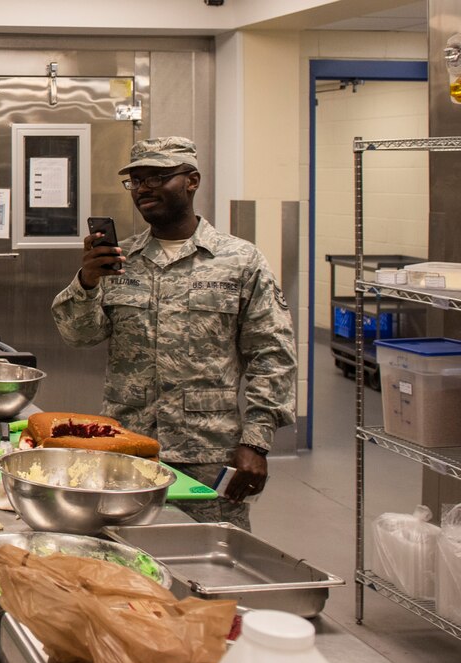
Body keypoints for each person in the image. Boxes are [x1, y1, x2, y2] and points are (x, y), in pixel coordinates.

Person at [51, 136, 296, 530]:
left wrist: (256, 441)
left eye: (158, 177)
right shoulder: (120, 260)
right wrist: (88, 282)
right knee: (123, 555)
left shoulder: (239, 260)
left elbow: (273, 354)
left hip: (207, 450)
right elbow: (79, 337)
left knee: (210, 559)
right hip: (127, 444)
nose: (144, 188)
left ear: (191, 181)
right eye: (136, 180)